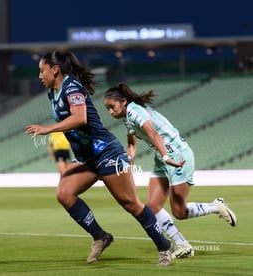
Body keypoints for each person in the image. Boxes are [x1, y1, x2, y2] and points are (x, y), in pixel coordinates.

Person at [25, 51, 172, 266]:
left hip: (106, 152)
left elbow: (80, 117)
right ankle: (101, 236)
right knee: (65, 194)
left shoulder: (72, 87)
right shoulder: (52, 92)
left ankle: (164, 247)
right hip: (87, 158)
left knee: (131, 203)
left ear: (54, 70)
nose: (40, 75)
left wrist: (49, 129)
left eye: (42, 70)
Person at [103, 82, 237, 258]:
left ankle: (216, 206)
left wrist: (167, 157)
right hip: (163, 159)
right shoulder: (127, 117)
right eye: (108, 110)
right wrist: (128, 159)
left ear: (124, 101)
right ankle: (183, 245)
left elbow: (154, 134)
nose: (111, 112)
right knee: (153, 206)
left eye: (112, 107)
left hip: (178, 156)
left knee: (179, 212)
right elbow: (131, 143)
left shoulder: (134, 111)